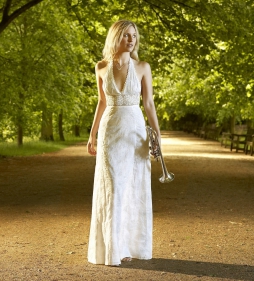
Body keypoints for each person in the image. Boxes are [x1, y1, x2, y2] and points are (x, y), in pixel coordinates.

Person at [86, 19, 161, 266]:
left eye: (134, 36)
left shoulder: (142, 67)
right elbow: (102, 102)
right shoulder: (100, 67)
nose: (131, 40)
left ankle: (128, 246)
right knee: (113, 187)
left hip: (135, 131)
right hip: (110, 131)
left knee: (133, 187)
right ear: (115, 37)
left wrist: (157, 135)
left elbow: (148, 103)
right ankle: (112, 248)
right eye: (127, 35)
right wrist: (92, 134)